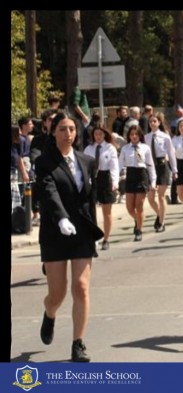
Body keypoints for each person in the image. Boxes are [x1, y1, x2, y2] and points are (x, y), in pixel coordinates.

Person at [34, 112, 104, 362]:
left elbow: (90, 198)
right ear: (53, 132)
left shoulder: (87, 161)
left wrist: (95, 229)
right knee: (58, 294)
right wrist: (61, 218)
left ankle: (78, 343)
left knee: (81, 288)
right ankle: (49, 313)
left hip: (82, 233)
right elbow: (48, 192)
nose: (68, 134)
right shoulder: (44, 162)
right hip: (55, 232)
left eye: (72, 129)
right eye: (62, 129)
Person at [82, 126, 119, 250]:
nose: (98, 136)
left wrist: (115, 182)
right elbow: (84, 167)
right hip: (93, 179)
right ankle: (94, 237)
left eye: (100, 134)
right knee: (91, 210)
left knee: (106, 211)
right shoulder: (88, 149)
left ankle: (106, 238)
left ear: (104, 135)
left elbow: (114, 167)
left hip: (106, 177)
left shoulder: (110, 148)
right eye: (96, 134)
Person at [119, 125, 156, 241]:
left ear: (140, 135)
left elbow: (150, 166)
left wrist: (153, 181)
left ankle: (139, 230)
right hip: (130, 176)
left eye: (136, 134)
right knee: (130, 207)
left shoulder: (145, 148)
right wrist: (115, 179)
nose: (134, 136)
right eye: (131, 134)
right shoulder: (125, 149)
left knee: (139, 206)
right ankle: (138, 219)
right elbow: (119, 164)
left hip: (142, 175)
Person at [145, 113, 178, 232]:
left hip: (162, 165)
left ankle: (162, 222)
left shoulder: (165, 137)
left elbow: (171, 153)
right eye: (150, 122)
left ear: (159, 123)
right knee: (150, 197)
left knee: (161, 195)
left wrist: (174, 170)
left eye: (155, 121)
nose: (152, 123)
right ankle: (159, 214)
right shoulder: (146, 137)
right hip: (150, 166)